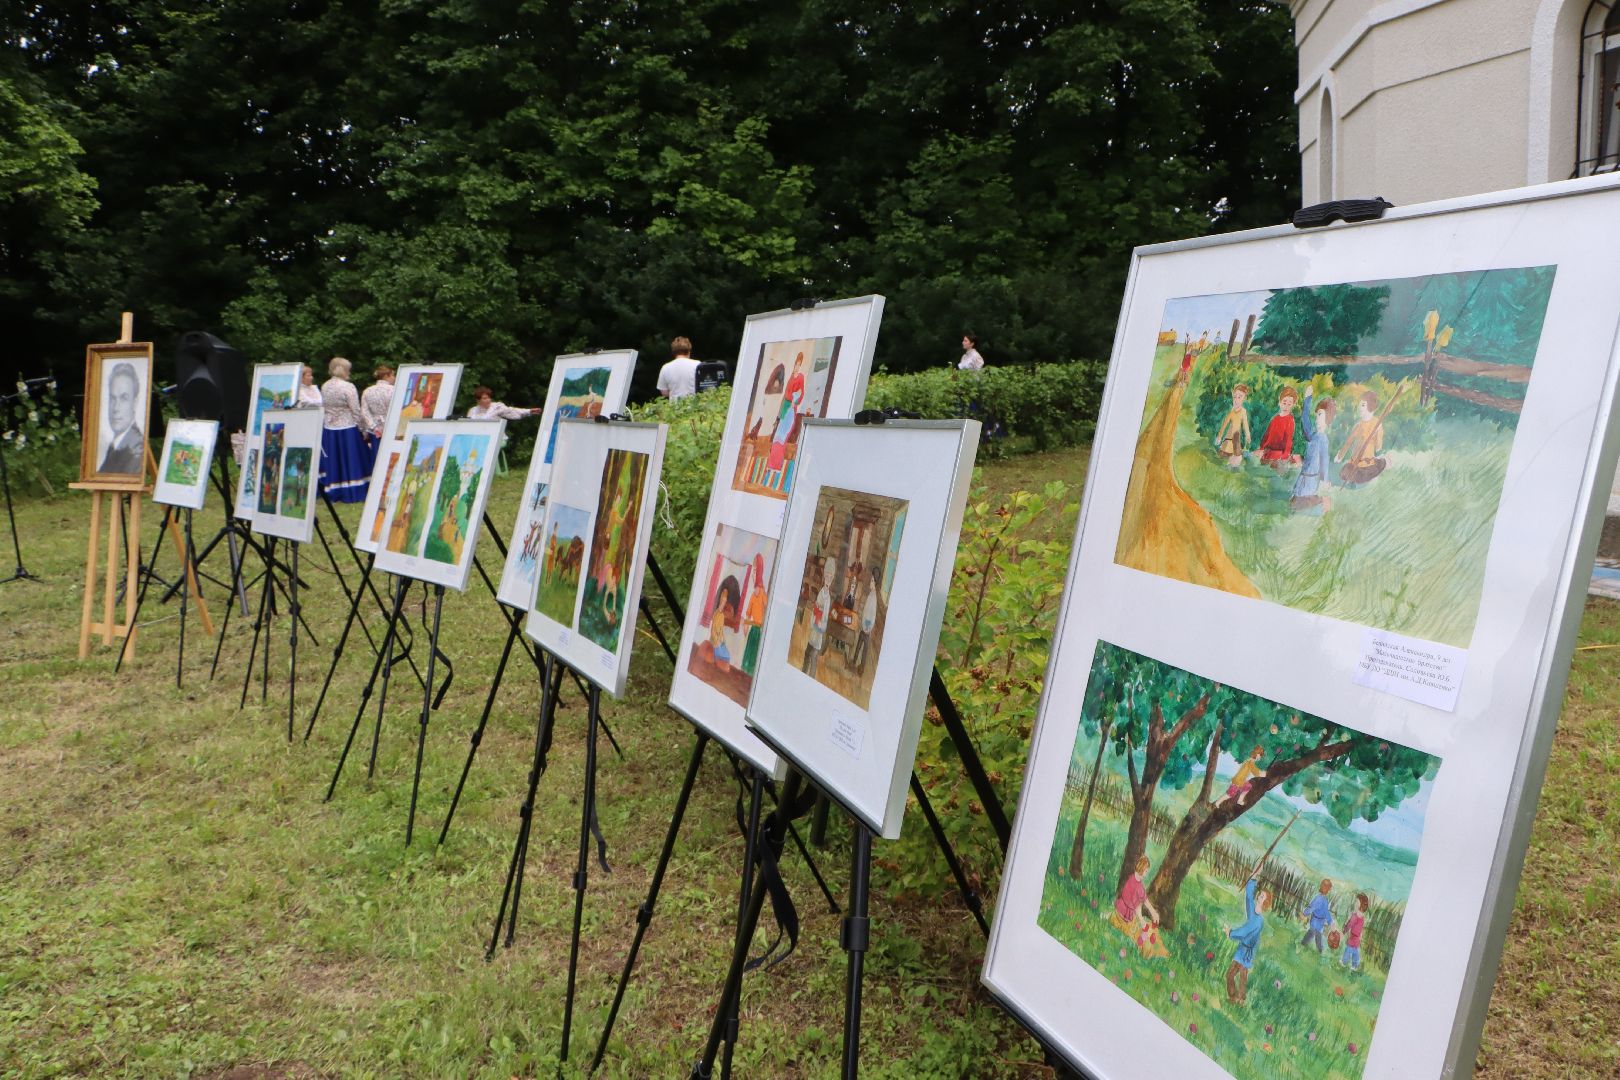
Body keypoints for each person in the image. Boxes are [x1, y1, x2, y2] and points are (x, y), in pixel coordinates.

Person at [319, 357, 372, 503]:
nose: (349, 371)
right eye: (348, 369)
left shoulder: (325, 386)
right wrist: (363, 430)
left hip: (330, 428)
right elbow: (355, 410)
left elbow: (326, 408)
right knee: (351, 459)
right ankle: (354, 490)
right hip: (348, 428)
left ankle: (337, 490)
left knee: (336, 459)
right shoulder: (348, 387)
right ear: (342, 370)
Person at [1224, 876, 1272, 1005]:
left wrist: (1231, 933)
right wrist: (1253, 880)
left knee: (1236, 975)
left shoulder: (1258, 920)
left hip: (1247, 950)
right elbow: (1249, 897)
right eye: (1260, 894)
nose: (1259, 897)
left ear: (1265, 903)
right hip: (1244, 948)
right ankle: (1237, 999)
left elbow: (1245, 931)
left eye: (1262, 897)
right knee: (1238, 975)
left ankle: (1238, 999)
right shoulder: (1254, 911)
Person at [1290, 389, 1337, 512]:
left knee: (1297, 504)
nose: (1316, 418)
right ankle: (1319, 501)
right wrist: (1307, 400)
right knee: (1293, 502)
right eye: (1316, 415)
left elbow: (1324, 461)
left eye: (1320, 414)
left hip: (1311, 480)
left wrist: (1325, 480)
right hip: (1304, 477)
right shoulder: (1314, 436)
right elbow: (1305, 423)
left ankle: (1322, 500)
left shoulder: (1323, 439)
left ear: (1328, 417)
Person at [99, 361, 145, 474]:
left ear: (134, 403)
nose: (116, 408)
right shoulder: (115, 445)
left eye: (124, 398)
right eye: (113, 398)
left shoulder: (136, 449)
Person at [1337, 389, 1390, 485]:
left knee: (1366, 473)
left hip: (1367, 465)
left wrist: (1378, 432)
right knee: (1344, 473)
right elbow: (1348, 442)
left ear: (1371, 406)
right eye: (1359, 405)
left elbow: (1378, 448)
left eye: (1363, 405)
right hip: (1354, 464)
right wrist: (1340, 456)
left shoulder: (1377, 424)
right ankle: (1355, 477)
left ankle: (1379, 466)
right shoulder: (1358, 425)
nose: (1359, 408)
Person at [1108, 856, 1161, 938]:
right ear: (1142, 868)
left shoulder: (1133, 878)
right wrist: (1143, 919)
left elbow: (1144, 899)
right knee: (1133, 932)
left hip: (1121, 909)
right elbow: (1140, 902)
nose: (1146, 874)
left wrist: (1153, 912)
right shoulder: (1137, 886)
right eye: (1146, 871)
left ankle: (1112, 918)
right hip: (1124, 913)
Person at [802, 558, 834, 677]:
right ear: (824, 578)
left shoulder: (828, 597)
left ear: (831, 581)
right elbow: (816, 607)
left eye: (830, 578)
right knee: (807, 653)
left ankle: (811, 677)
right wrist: (816, 611)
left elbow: (824, 615)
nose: (828, 580)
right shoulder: (821, 592)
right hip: (815, 624)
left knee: (814, 656)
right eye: (827, 577)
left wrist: (820, 619)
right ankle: (803, 672)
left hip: (819, 628)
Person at [1257, 386, 1300, 468]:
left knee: (1276, 467)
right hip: (1268, 452)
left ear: (1292, 405)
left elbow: (1288, 440)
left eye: (1289, 404)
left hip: (1280, 454)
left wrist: (1284, 456)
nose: (1286, 406)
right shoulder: (1275, 419)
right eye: (1284, 403)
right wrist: (1262, 448)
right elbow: (1266, 435)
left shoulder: (1290, 420)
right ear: (1279, 403)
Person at [1214, 383, 1251, 467]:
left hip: (1236, 439)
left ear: (1244, 398)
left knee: (1236, 439)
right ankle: (1231, 459)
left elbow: (1245, 425)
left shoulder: (1243, 412)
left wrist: (1248, 435)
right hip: (1229, 438)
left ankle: (1235, 459)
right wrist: (1219, 436)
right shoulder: (1231, 412)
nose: (1236, 400)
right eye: (1235, 397)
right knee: (1224, 453)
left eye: (1239, 397)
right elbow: (1224, 424)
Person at [852, 568, 880, 674]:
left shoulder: (874, 598)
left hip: (867, 628)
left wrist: (868, 627)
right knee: (859, 645)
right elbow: (866, 612)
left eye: (872, 581)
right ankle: (854, 662)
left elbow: (872, 616)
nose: (870, 582)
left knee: (864, 649)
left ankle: (861, 668)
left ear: (875, 584)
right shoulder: (871, 594)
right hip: (865, 625)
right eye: (871, 580)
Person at [360, 365, 395, 446]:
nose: (394, 377)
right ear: (386, 376)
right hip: (392, 427)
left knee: (377, 455)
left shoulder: (367, 391)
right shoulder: (394, 390)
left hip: (375, 430)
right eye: (393, 375)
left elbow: (364, 412)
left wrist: (373, 426)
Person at [1301, 878, 1336, 954]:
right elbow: (1323, 912)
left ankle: (1304, 946)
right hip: (1318, 923)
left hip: (1316, 922)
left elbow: (1311, 908)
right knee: (1316, 937)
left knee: (1312, 935)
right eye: (1328, 888)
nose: (1329, 890)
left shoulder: (1320, 898)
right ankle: (1318, 951)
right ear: (1327, 889)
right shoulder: (1323, 900)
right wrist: (1330, 922)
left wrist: (1304, 913)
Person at [467, 386, 541, 420]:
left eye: (489, 398)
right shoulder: (472, 411)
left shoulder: (497, 407)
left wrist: (529, 411)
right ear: (478, 400)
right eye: (485, 398)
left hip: (496, 437)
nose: (488, 400)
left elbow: (511, 411)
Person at [1341, 893, 1369, 972]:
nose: (1355, 903)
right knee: (1355, 951)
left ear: (1361, 904)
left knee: (1349, 950)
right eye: (1355, 902)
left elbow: (1350, 925)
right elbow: (1359, 927)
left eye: (1357, 902)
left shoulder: (1356, 915)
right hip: (1357, 938)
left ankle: (1344, 962)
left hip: (1354, 937)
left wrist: (1344, 930)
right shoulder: (1361, 916)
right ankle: (1354, 966)